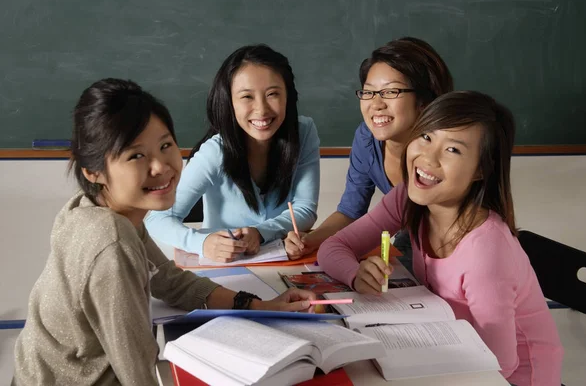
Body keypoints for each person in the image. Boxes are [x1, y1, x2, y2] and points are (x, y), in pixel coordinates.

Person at [12, 79, 316, 386]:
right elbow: (139, 372)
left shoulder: (99, 210)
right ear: (94, 171)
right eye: (136, 155)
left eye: (165, 145)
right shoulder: (110, 241)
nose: (161, 166)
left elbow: (168, 281)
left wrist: (261, 306)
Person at [317, 91, 563, 385]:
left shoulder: (486, 253)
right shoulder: (407, 199)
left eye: (453, 150)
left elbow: (498, 364)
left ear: (480, 170)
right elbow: (333, 247)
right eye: (426, 136)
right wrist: (356, 274)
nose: (428, 157)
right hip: (449, 349)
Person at [285, 37, 453, 271]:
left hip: (454, 247)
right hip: (411, 239)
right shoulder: (367, 139)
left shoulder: (450, 148)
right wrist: (311, 239)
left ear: (424, 101)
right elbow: (350, 212)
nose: (376, 104)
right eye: (368, 92)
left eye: (390, 91)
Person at [145, 44, 320, 262]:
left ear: (288, 96)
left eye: (272, 94)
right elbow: (157, 219)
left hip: (283, 264)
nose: (262, 109)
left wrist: (261, 232)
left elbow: (305, 209)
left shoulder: (303, 133)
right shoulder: (215, 152)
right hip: (226, 271)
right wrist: (202, 243)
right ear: (230, 102)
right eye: (247, 97)